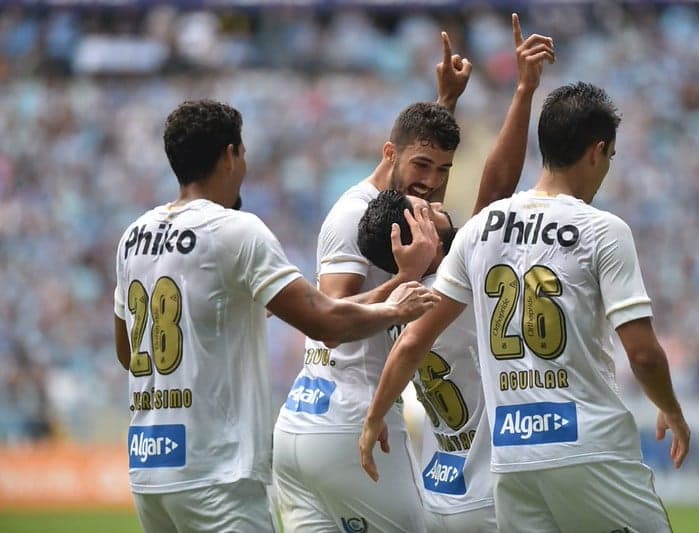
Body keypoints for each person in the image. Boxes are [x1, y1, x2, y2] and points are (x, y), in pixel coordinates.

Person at [360, 82, 692, 532]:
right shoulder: (603, 230)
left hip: (513, 459)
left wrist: (374, 416)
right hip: (588, 446)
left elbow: (414, 339)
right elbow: (644, 354)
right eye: (610, 158)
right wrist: (670, 407)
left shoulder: (478, 232)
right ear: (597, 152)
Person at [113, 99, 439, 533]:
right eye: (243, 152)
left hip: (150, 473)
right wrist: (400, 296)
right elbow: (326, 323)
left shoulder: (134, 236)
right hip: (218, 473)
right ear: (230, 154)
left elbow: (127, 351)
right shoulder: (234, 230)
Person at [356, 14, 554, 532]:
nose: (439, 203)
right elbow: (497, 190)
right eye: (428, 214)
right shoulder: (450, 277)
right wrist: (523, 91)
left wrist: (444, 103)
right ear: (411, 242)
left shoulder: (399, 291)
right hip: (488, 492)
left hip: (443, 481)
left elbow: (422, 177)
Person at [271, 32, 474, 533]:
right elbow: (329, 321)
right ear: (389, 153)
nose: (430, 181)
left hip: (304, 426)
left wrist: (444, 101)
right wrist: (403, 280)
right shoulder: (353, 215)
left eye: (443, 169)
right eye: (421, 166)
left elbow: (419, 153)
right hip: (349, 421)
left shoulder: (400, 208)